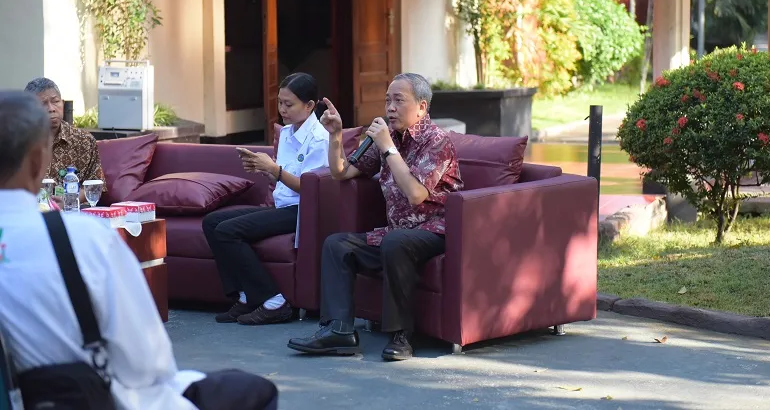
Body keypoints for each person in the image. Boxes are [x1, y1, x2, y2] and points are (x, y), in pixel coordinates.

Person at [0, 91, 277, 410]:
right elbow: (146, 364)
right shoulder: (83, 239)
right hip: (91, 398)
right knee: (251, 391)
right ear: (38, 161)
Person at [288, 73, 463, 361]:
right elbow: (341, 172)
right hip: (396, 232)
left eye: (398, 100)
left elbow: (416, 194)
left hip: (435, 231)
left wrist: (388, 148)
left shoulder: (437, 140)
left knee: (396, 242)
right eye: (387, 100)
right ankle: (339, 330)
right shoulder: (387, 138)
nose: (390, 108)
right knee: (337, 244)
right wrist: (335, 136)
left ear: (421, 107)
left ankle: (401, 335)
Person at [203, 73, 330, 326]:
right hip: (281, 204)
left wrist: (274, 170)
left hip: (300, 211)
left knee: (228, 231)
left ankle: (274, 301)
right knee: (212, 222)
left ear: (309, 106)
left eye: (289, 104)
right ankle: (245, 295)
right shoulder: (285, 133)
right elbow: (283, 176)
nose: (282, 109)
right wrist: (265, 169)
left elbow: (312, 188)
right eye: (280, 102)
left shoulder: (320, 138)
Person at [24, 77, 105, 205]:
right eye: (43, 104)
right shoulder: (17, 141)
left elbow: (94, 185)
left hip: (72, 212)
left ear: (62, 103)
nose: (51, 108)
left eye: (55, 101)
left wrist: (69, 201)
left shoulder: (83, 140)